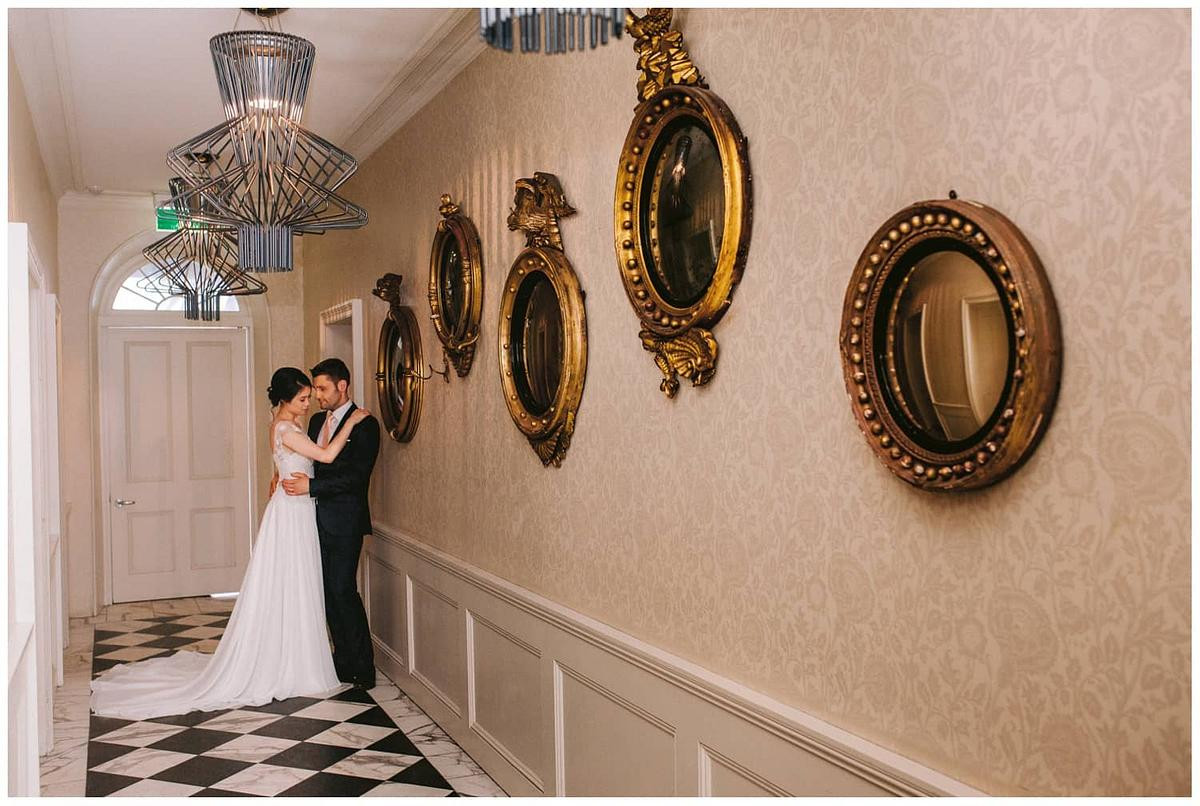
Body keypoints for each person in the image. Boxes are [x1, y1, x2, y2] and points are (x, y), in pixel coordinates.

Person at [90, 368, 371, 720]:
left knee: (299, 585)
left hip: (298, 511)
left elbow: (295, 460)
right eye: (303, 397)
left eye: (312, 394)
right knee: (294, 583)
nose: (309, 401)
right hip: (293, 514)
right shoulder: (287, 427)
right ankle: (293, 662)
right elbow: (326, 457)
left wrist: (279, 473)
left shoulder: (287, 424)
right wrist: (353, 421)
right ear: (286, 400)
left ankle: (299, 656)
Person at [281, 358, 380, 689]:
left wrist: (313, 488)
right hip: (310, 521)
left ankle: (363, 668)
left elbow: (356, 477)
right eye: (315, 390)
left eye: (323, 389)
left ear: (343, 386)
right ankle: (341, 661)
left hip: (345, 522)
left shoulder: (365, 425)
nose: (318, 397)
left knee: (342, 590)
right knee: (323, 593)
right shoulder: (314, 424)